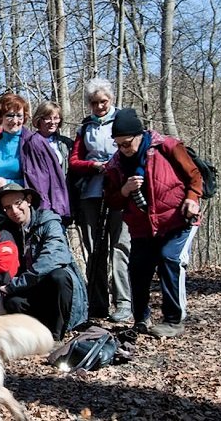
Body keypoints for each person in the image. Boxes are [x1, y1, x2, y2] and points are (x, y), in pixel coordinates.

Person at [104, 109, 202, 338]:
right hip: (142, 226)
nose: (123, 149)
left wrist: (192, 198)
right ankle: (141, 319)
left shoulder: (166, 147)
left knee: (170, 259)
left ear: (139, 135)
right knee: (138, 268)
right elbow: (111, 200)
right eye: (118, 145)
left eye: (127, 143)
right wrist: (124, 190)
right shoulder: (116, 164)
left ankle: (173, 320)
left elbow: (195, 176)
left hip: (178, 219)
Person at [0, 183, 88, 341]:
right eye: (7, 207)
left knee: (59, 276)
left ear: (28, 200)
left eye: (17, 203)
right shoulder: (6, 232)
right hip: (30, 291)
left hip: (52, 288)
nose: (14, 211)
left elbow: (51, 260)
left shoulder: (50, 223)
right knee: (13, 303)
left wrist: (13, 285)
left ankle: (56, 336)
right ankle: (35, 335)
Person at [69, 78, 132, 321]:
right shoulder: (85, 127)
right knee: (94, 249)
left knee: (120, 246)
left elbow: (133, 154)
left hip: (120, 192)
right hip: (91, 192)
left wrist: (115, 167)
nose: (99, 107)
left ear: (111, 100)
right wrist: (94, 165)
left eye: (103, 102)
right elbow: (74, 161)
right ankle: (97, 303)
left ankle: (123, 302)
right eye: (94, 103)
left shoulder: (124, 121)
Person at [0, 93, 70, 222]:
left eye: (19, 115)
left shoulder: (34, 142)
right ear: (0, 117)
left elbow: (41, 184)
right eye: (9, 115)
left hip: (27, 211)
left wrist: (8, 183)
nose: (15, 121)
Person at [31, 100, 74, 176]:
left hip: (63, 186)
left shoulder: (66, 143)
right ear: (38, 119)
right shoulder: (30, 143)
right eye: (47, 118)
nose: (52, 122)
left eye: (56, 118)